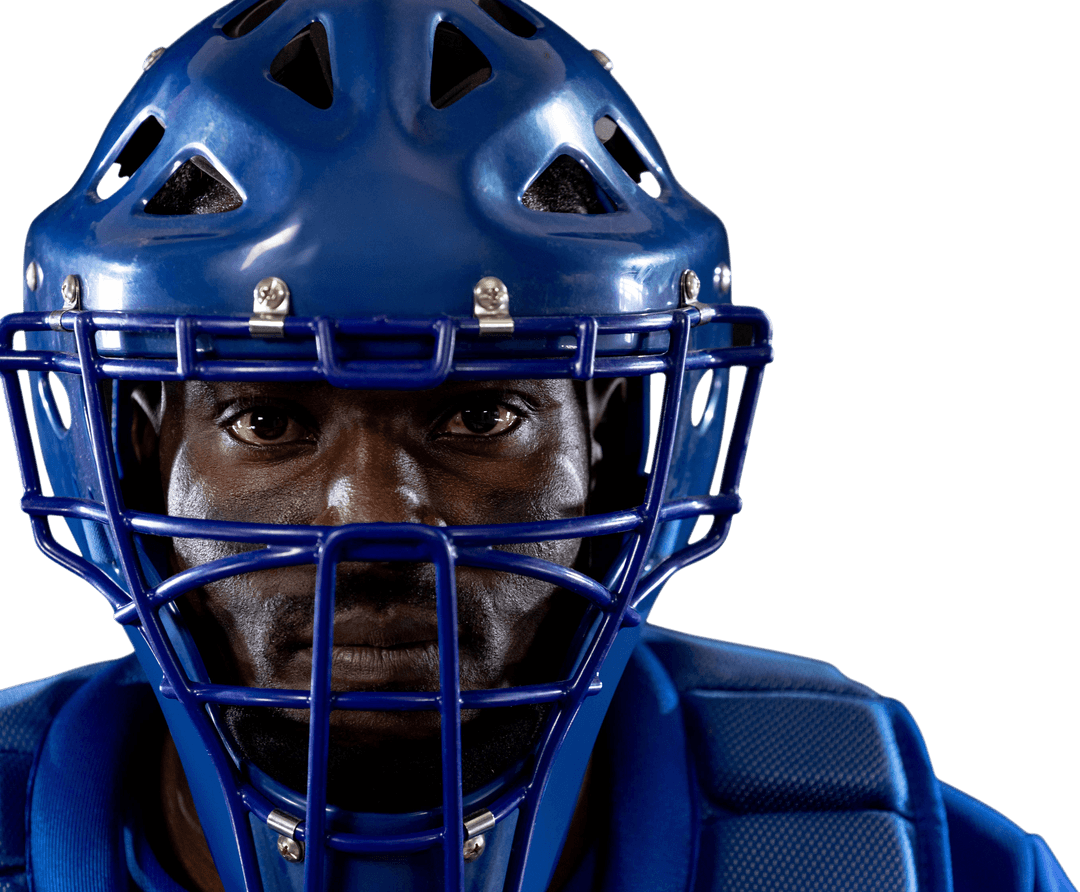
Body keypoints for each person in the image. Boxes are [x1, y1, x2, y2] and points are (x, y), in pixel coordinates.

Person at [0, 1, 1073, 891]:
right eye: (268, 420)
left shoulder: (911, 860)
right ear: (134, 454)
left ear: (610, 446)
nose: (374, 519)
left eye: (480, 417)